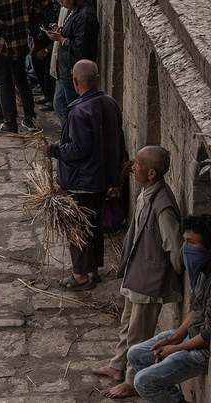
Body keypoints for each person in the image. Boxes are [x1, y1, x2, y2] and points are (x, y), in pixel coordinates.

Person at [93, 146, 184, 399]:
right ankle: (117, 366)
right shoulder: (147, 193)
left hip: (150, 279)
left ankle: (132, 382)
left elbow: (175, 248)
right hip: (137, 272)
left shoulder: (163, 205)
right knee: (127, 324)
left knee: (139, 334)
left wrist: (171, 276)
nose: (133, 166)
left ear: (152, 173)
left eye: (138, 164)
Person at [43, 60, 125, 290]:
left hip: (82, 180)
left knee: (77, 228)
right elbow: (117, 138)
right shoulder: (109, 102)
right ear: (97, 79)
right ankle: (92, 269)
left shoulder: (80, 111)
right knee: (93, 225)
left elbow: (79, 149)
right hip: (102, 178)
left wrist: (54, 149)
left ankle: (80, 274)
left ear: (76, 81)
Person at [125, 214, 211, 403]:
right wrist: (173, 338)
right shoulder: (203, 271)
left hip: (203, 351)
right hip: (190, 336)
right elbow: (197, 308)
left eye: (192, 242)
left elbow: (207, 336)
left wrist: (177, 348)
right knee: (136, 354)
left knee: (143, 382)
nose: (186, 248)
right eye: (184, 241)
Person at [0, 0, 38, 134]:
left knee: (4, 83)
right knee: (22, 80)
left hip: (0, 41)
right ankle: (30, 119)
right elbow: (39, 4)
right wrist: (27, 19)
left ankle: (10, 123)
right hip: (20, 38)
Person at [46, 0, 98, 123]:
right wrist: (62, 30)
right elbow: (74, 33)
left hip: (72, 70)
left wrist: (61, 39)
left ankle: (72, 137)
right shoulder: (75, 10)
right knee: (59, 106)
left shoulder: (85, 16)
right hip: (65, 69)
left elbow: (81, 48)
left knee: (70, 110)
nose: (60, 3)